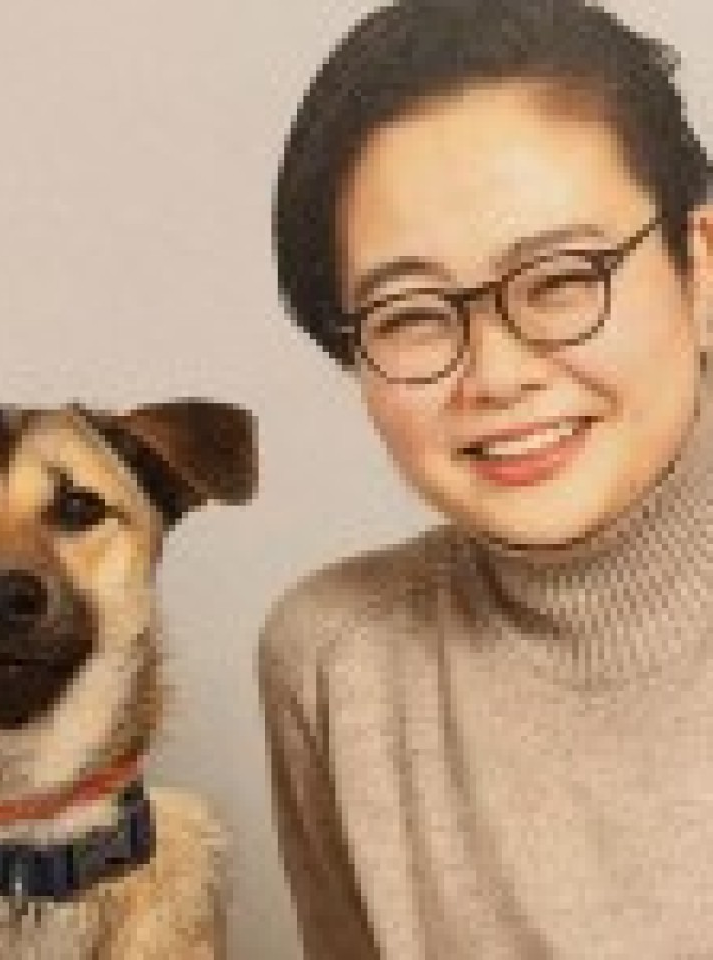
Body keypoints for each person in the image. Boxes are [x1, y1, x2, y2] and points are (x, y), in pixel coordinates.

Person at [257, 1, 713, 958]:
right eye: (412, 315)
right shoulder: (343, 664)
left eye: (562, 280)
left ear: (701, 268)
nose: (498, 376)